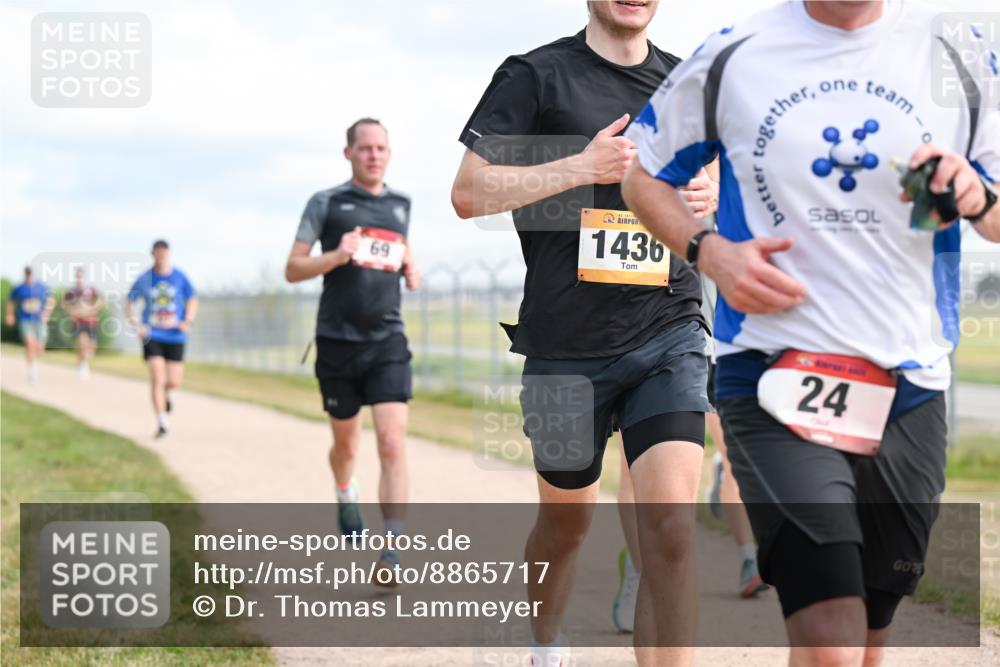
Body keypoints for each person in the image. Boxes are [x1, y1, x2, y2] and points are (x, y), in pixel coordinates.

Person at [622, 1, 999, 665]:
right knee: (830, 634)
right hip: (772, 373)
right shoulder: (734, 53)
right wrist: (710, 251)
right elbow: (643, 175)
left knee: (871, 628)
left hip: (910, 384)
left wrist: (978, 196)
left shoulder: (960, 55)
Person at [452, 2, 718, 664]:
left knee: (670, 530)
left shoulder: (688, 83)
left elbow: (719, 181)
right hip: (563, 344)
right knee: (566, 524)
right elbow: (469, 193)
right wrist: (581, 165)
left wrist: (712, 198)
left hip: (669, 326)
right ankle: (545, 641)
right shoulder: (536, 75)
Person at [286, 118, 421, 584]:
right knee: (347, 445)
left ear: (389, 153)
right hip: (337, 343)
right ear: (348, 153)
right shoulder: (325, 203)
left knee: (391, 442)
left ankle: (392, 551)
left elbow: (399, 250)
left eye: (381, 148)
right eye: (365, 148)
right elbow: (292, 268)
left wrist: (411, 268)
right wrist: (336, 256)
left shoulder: (401, 204)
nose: (374, 155)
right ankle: (345, 490)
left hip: (387, 341)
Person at [126, 240, 198, 438]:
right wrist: (136, 325)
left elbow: (192, 299)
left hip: (175, 335)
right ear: (152, 254)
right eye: (158, 253)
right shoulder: (144, 279)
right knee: (158, 377)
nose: (161, 256)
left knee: (173, 381)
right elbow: (129, 302)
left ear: (169, 254)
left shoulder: (180, 277)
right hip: (153, 334)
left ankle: (165, 395)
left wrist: (188, 320)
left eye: (164, 253)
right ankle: (162, 421)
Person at [5, 266, 54, 383]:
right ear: (25, 274)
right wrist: (10, 315)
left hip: (39, 321)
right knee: (30, 344)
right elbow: (10, 301)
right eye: (27, 274)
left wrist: (47, 313)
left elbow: (51, 301)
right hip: (25, 320)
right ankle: (32, 371)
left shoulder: (41, 287)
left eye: (30, 274)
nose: (28, 276)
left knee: (39, 349)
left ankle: (34, 361)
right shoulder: (19, 288)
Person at [62, 266, 104, 379]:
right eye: (77, 277)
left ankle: (83, 359)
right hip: (78, 322)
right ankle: (83, 366)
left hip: (90, 321)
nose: (79, 279)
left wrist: (93, 309)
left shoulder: (90, 289)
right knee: (82, 343)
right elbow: (64, 304)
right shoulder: (72, 291)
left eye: (81, 276)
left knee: (92, 347)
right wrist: (72, 312)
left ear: (84, 277)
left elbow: (100, 300)